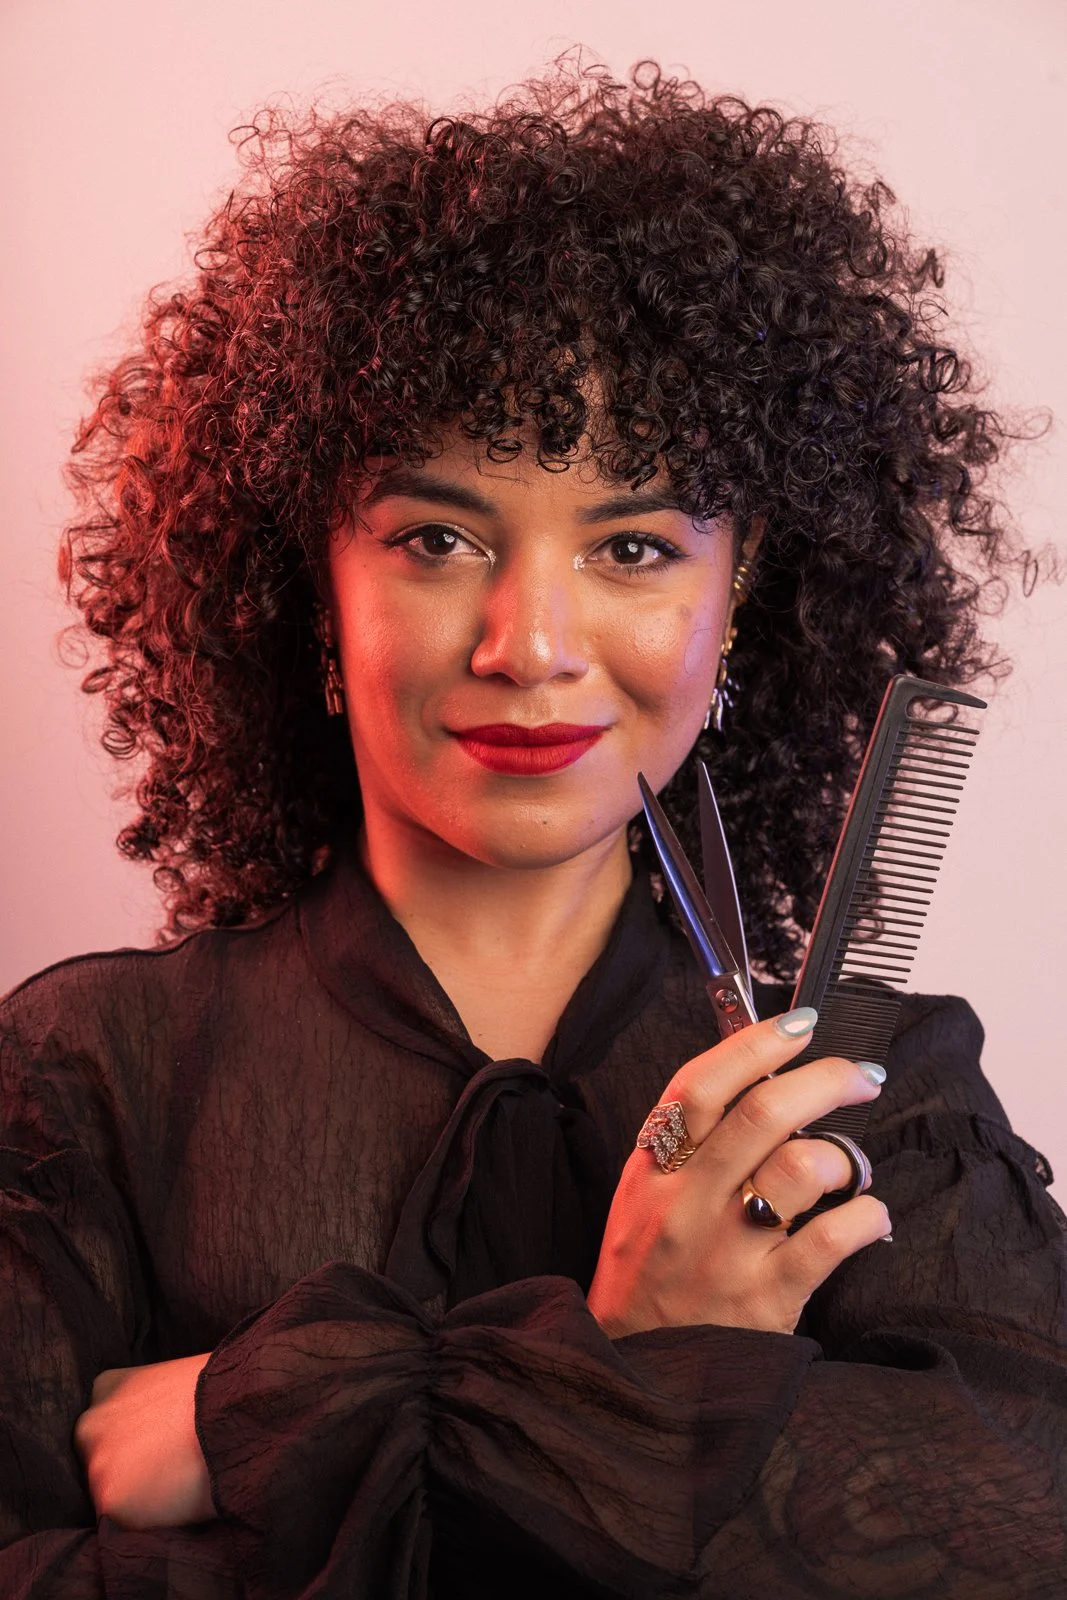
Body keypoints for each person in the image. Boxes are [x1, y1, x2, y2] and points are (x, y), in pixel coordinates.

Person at [1, 52, 1064, 1599]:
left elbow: (1025, 1536)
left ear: (737, 594)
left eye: (631, 543)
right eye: (437, 538)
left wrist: (337, 1410)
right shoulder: (93, 1079)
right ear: (318, 585)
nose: (529, 644)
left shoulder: (870, 1102)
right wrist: (645, 1388)